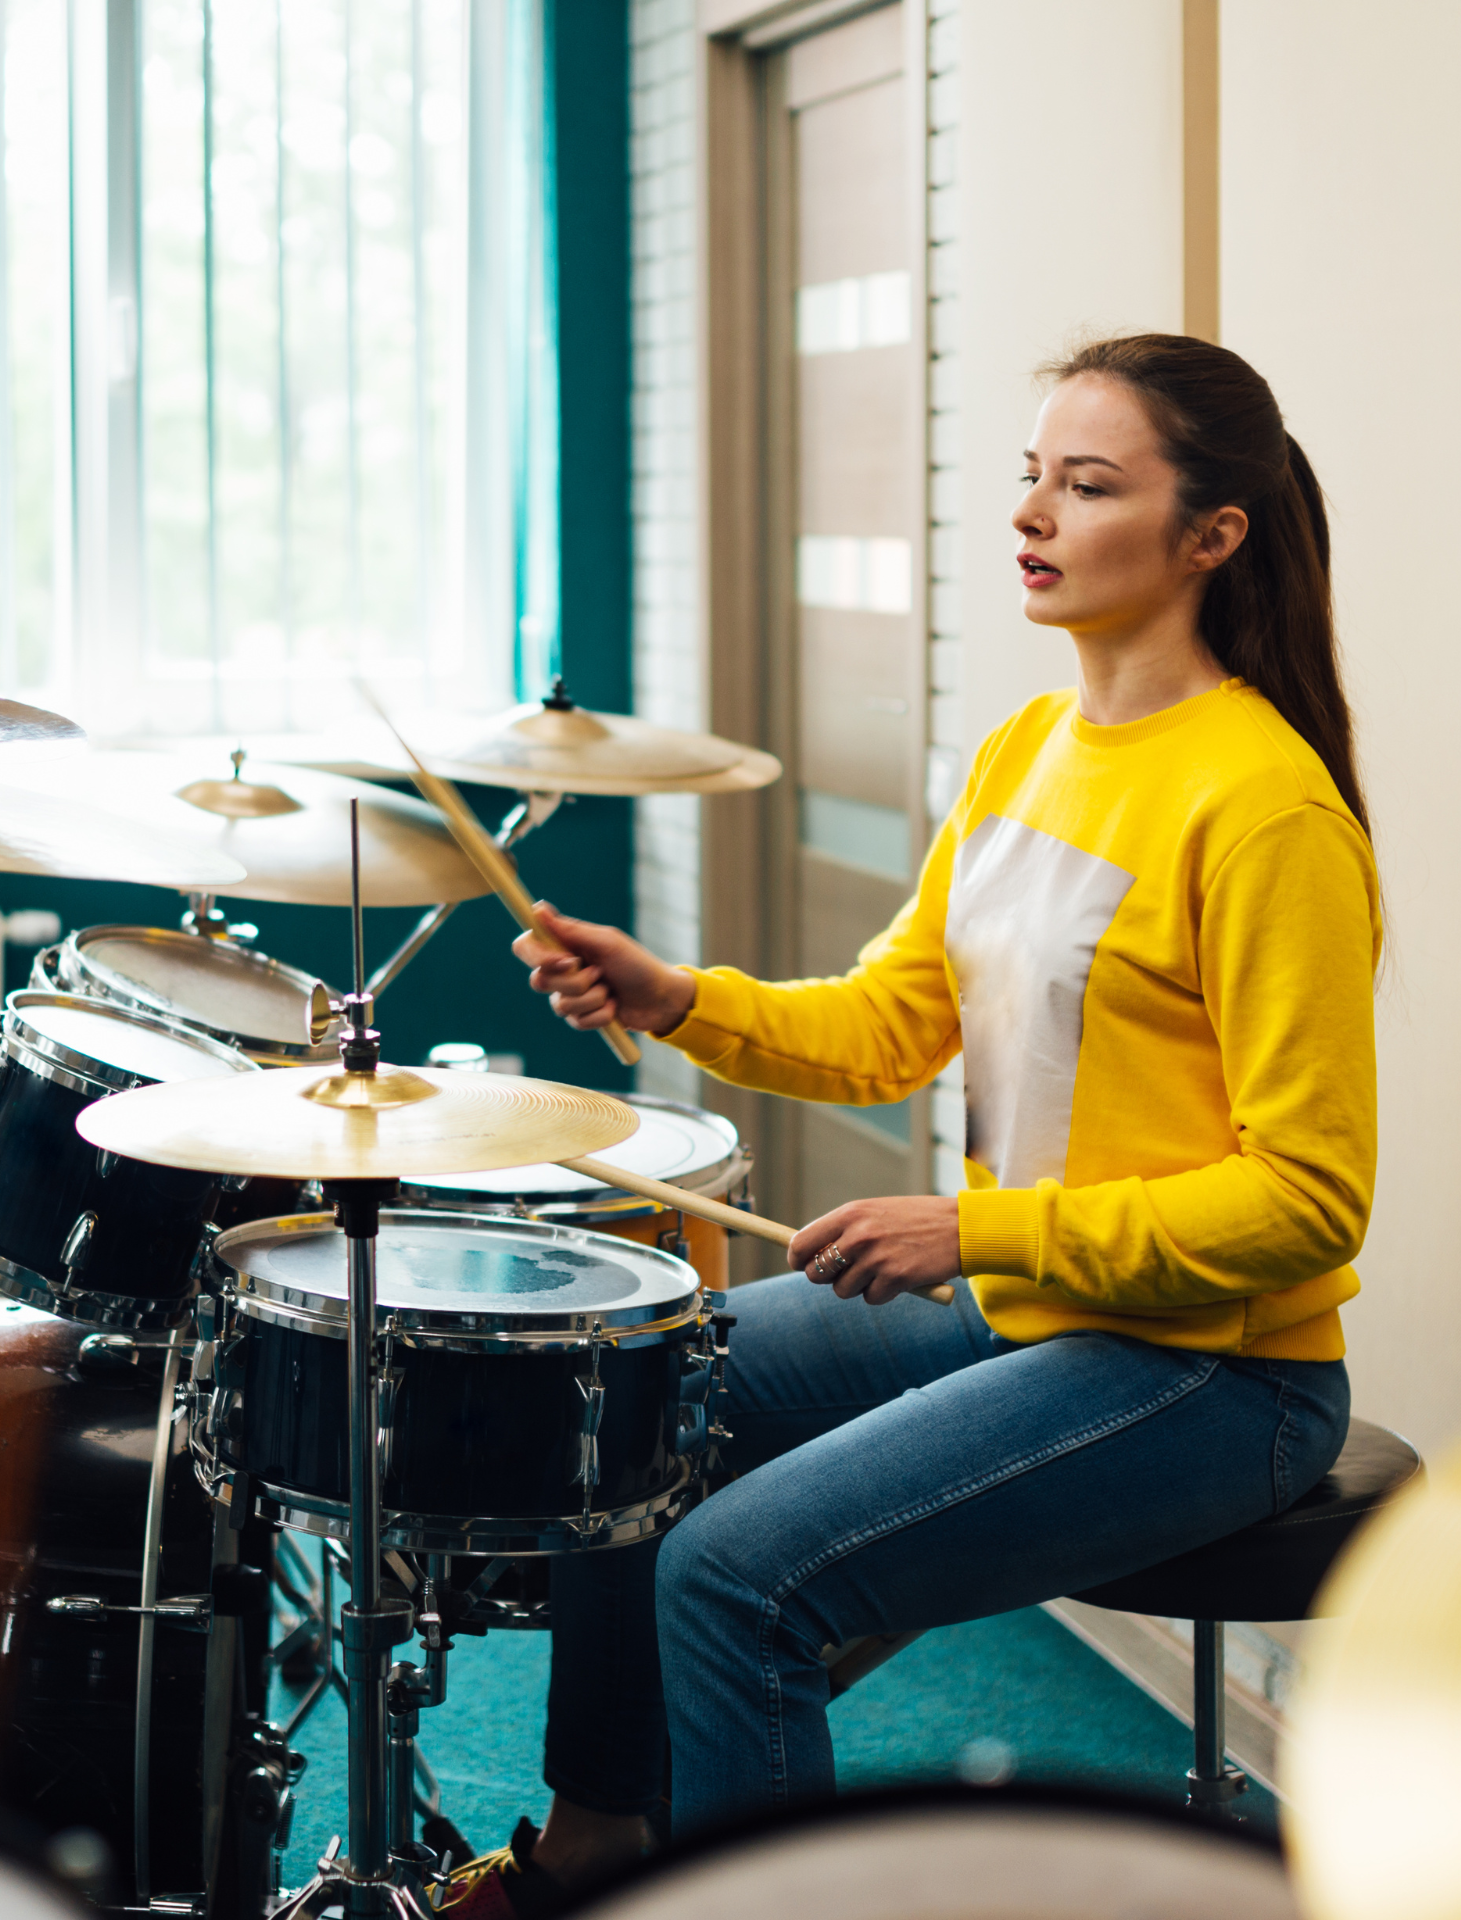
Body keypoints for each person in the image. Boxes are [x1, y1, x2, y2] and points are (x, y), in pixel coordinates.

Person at [435, 334, 1380, 1916]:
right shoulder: (1029, 750)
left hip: (1212, 1373)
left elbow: (1309, 1201)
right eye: (1032, 476)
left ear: (1212, 535)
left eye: (1088, 486)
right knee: (631, 1389)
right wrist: (675, 997)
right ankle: (601, 1855)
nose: (1035, 514)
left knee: (736, 1581)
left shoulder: (1263, 807)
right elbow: (892, 1022)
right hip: (1029, 1315)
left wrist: (970, 1229)